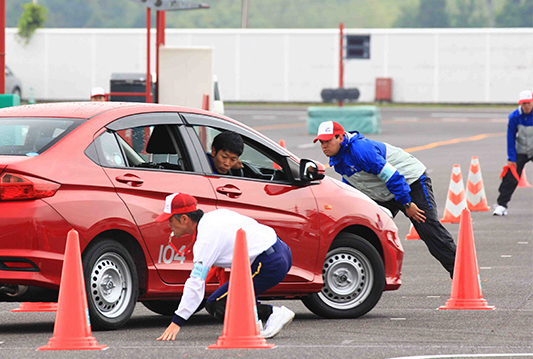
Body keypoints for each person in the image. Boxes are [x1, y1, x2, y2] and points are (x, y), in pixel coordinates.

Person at [314, 120, 456, 277]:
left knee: (428, 229)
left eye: (327, 141)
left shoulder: (361, 150)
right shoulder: (338, 157)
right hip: (384, 190)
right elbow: (352, 184)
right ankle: (371, 277)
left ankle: (461, 272)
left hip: (410, 181)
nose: (324, 146)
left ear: (340, 138)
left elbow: (394, 177)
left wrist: (407, 203)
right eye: (321, 142)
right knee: (368, 231)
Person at [156, 192, 294, 341]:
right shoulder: (214, 216)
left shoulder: (206, 239)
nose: (168, 224)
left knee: (217, 303)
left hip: (269, 263)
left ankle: (274, 313)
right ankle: (255, 324)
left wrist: (177, 321)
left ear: (184, 219)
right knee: (233, 294)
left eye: (170, 220)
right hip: (280, 250)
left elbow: (196, 283)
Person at [493, 90, 533, 216]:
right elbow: (510, 137)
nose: (526, 106)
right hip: (520, 150)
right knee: (510, 178)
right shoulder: (514, 117)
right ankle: (501, 205)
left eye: (528, 103)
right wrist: (511, 157)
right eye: (523, 103)